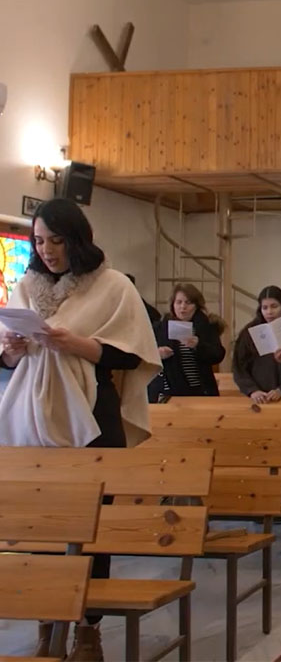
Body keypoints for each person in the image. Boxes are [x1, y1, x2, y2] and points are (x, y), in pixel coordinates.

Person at [0, 198, 161, 660]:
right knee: (42, 525)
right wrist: (11, 349)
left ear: (77, 239)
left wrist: (81, 344)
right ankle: (48, 621)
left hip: (93, 417)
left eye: (56, 240)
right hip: (33, 417)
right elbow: (7, 358)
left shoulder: (112, 286)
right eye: (38, 241)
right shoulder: (26, 288)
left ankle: (88, 629)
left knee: (91, 527)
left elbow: (132, 354)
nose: (46, 250)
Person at [232, 285, 281, 402]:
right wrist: (252, 390)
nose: (269, 312)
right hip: (257, 398)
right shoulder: (248, 334)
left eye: (274, 306)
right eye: (265, 307)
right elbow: (239, 367)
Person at [152, 283, 225, 399]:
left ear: (196, 306)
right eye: (179, 302)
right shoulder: (160, 328)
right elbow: (145, 355)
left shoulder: (205, 326)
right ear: (172, 304)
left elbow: (218, 355)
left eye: (188, 302)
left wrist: (198, 345)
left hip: (200, 391)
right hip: (168, 392)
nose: (183, 307)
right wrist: (157, 354)